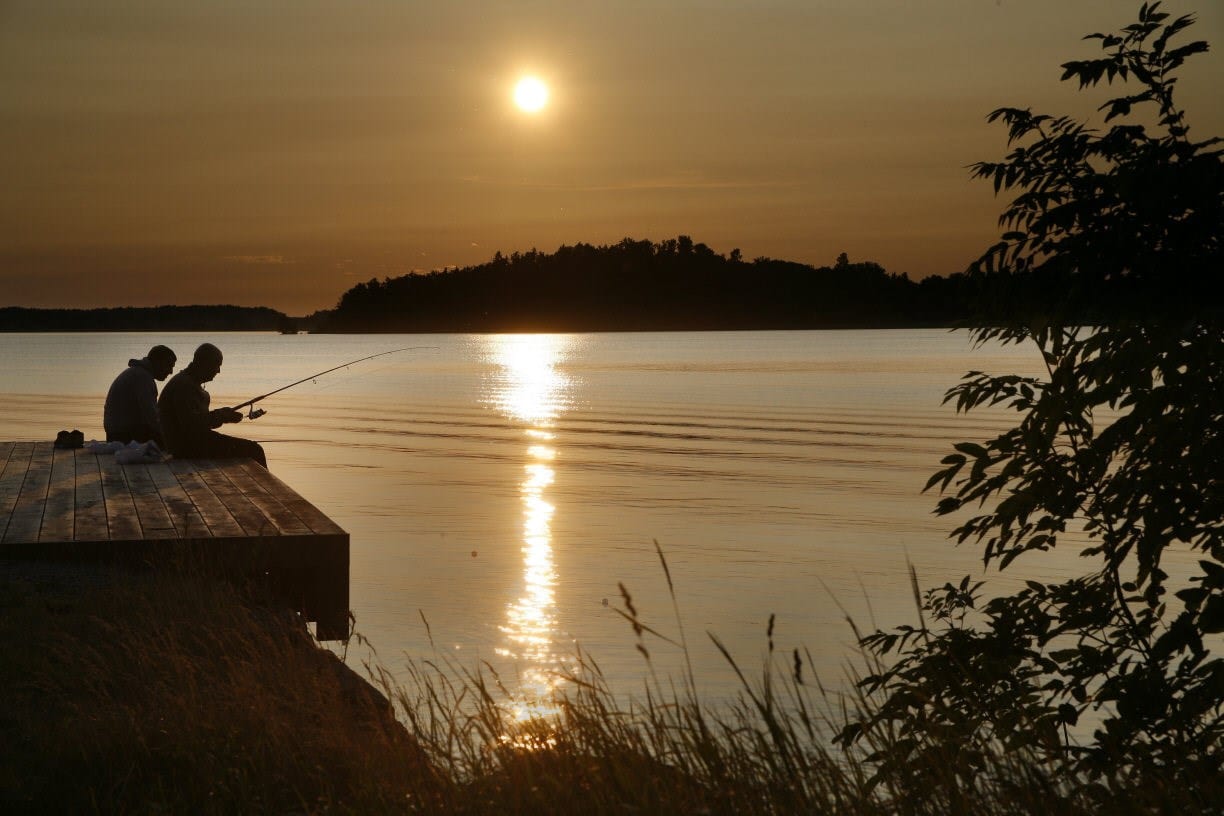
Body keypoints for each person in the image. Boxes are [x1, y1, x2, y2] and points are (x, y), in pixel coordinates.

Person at [157, 342, 267, 467]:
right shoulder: (185, 386)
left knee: (249, 448)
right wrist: (222, 416)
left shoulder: (187, 381)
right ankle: (268, 487)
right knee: (254, 450)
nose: (218, 371)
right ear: (204, 364)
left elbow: (196, 421)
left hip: (187, 443)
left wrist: (222, 415)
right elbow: (192, 425)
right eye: (217, 365)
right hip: (186, 447)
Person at [103, 345, 177, 445]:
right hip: (122, 436)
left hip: (116, 433)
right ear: (158, 361)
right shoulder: (143, 378)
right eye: (168, 365)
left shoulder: (138, 373)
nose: (171, 372)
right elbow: (152, 417)